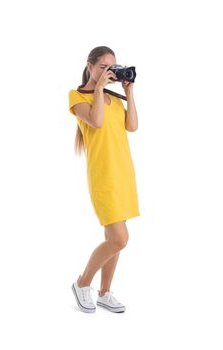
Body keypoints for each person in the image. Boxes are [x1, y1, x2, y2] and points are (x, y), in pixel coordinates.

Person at [68, 46, 140, 313]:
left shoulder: (115, 97)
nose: (108, 72)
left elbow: (132, 126)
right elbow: (96, 122)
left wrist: (129, 93)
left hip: (123, 173)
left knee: (113, 238)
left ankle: (104, 292)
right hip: (103, 177)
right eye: (103, 67)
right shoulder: (77, 97)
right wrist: (97, 88)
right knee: (120, 239)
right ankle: (82, 282)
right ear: (90, 66)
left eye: (113, 67)